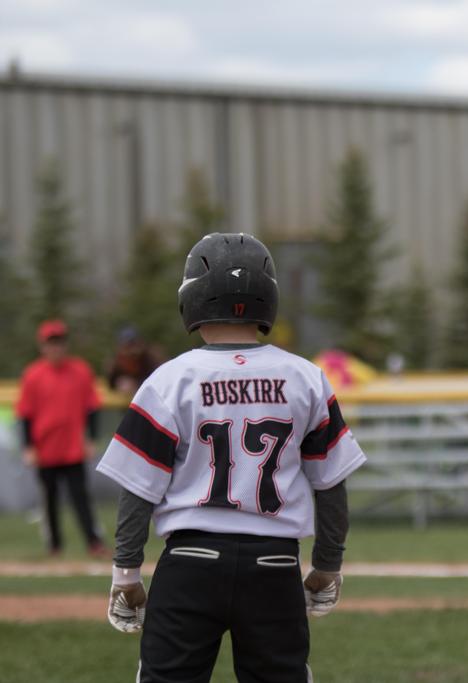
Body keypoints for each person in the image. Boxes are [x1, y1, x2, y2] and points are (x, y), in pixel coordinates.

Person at [96, 233, 367, 682]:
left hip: (190, 563)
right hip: (275, 566)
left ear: (193, 297)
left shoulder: (170, 380)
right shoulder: (306, 377)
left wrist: (126, 571)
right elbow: (331, 484)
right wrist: (328, 564)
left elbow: (139, 489)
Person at [16, 319, 107, 557]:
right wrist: (28, 447)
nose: (55, 347)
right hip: (45, 449)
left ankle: (93, 542)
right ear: (42, 346)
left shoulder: (80, 370)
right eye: (50, 343)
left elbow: (92, 408)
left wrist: (91, 438)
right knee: (49, 501)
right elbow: (25, 414)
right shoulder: (33, 374)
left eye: (59, 342)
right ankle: (54, 546)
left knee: (81, 498)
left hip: (72, 448)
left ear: (65, 344)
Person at [106, 326, 163, 395]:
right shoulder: (117, 361)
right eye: (127, 346)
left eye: (133, 344)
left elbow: (161, 381)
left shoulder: (151, 357)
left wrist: (136, 384)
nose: (131, 350)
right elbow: (110, 384)